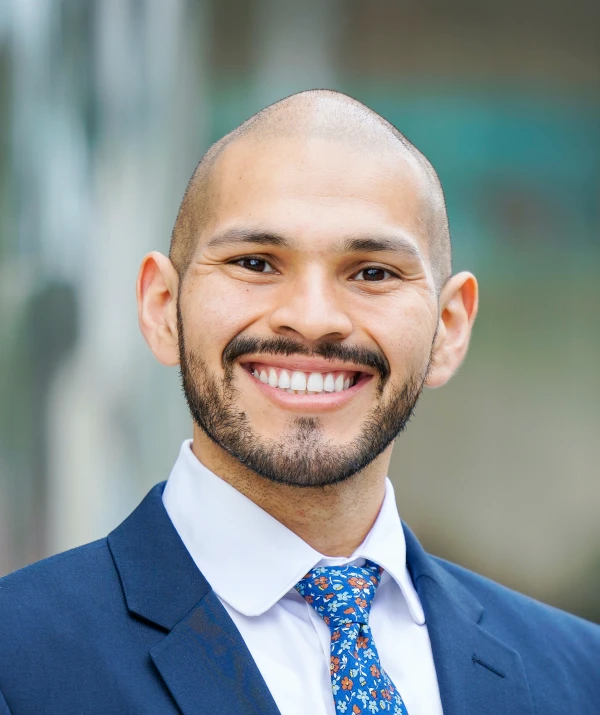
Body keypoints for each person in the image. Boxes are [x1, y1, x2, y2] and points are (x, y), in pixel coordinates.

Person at [0, 90, 598, 715]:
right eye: (256, 262)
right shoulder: (17, 660)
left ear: (448, 327)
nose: (313, 320)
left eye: (373, 273)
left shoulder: (580, 675)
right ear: (161, 310)